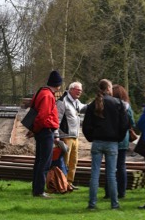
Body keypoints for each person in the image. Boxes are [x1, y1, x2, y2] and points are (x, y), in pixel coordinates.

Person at [83, 79, 128, 210]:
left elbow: (86, 125)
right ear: (109, 88)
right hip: (112, 143)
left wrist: (91, 138)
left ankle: (92, 204)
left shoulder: (93, 104)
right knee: (111, 175)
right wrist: (118, 138)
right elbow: (124, 124)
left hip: (97, 142)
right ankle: (114, 204)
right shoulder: (118, 103)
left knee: (95, 174)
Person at [27, 70, 63, 198]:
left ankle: (36, 189)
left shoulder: (41, 92)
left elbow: (34, 110)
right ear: (58, 84)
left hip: (41, 131)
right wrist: (36, 129)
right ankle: (39, 191)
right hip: (46, 131)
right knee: (45, 162)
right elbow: (42, 117)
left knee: (39, 161)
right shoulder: (48, 95)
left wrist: (34, 130)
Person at [104, 84, 135, 199]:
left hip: (110, 137)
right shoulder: (127, 106)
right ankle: (122, 192)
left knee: (109, 166)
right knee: (121, 166)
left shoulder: (108, 105)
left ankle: (108, 192)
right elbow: (132, 122)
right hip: (123, 139)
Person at [57, 81, 87, 190]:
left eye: (81, 90)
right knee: (65, 161)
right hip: (65, 136)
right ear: (71, 89)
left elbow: (84, 108)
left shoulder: (76, 101)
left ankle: (69, 183)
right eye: (78, 90)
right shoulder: (63, 101)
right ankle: (62, 183)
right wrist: (56, 136)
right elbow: (57, 119)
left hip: (75, 136)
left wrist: (95, 104)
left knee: (74, 161)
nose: (80, 92)